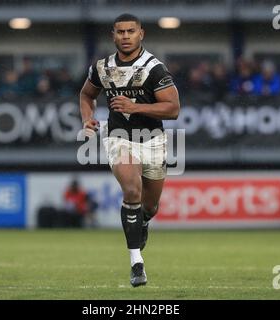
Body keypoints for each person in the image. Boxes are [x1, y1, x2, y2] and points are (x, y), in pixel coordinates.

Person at [79, 13, 180, 287]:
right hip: (119, 136)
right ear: (113, 35)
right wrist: (87, 117)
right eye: (120, 32)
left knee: (150, 205)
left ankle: (143, 220)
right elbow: (87, 94)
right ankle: (136, 262)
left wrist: (136, 107)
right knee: (131, 190)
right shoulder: (101, 67)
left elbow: (173, 109)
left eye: (130, 31)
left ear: (141, 34)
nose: (125, 36)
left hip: (153, 140)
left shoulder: (154, 68)